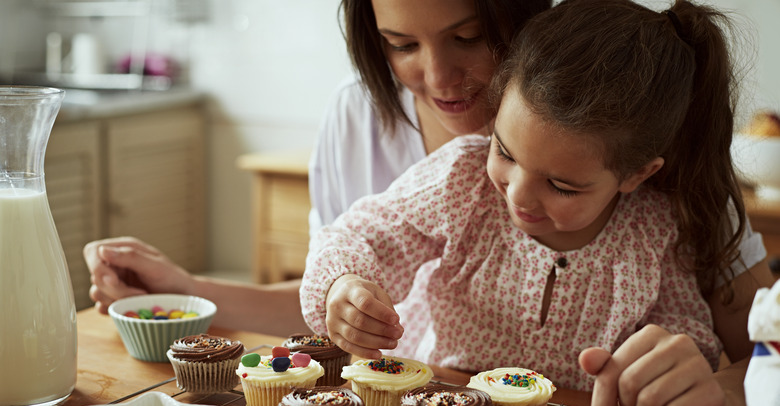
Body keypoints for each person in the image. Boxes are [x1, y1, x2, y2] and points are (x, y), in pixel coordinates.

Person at [299, 1, 775, 406]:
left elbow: (692, 334)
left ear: (636, 173)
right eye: (504, 151)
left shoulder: (660, 231)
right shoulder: (460, 180)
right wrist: (343, 284)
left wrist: (673, 377)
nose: (518, 194)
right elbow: (359, 235)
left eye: (562, 185)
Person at [82, 0, 553, 335]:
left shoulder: (577, 133)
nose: (437, 77)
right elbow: (328, 303)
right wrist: (185, 292)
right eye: (402, 44)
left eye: (467, 38)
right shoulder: (356, 115)